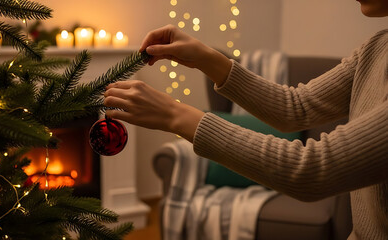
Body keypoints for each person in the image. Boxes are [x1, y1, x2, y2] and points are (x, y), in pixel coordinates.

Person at [103, 1, 388, 239]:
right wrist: (207, 58)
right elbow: (294, 107)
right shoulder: (377, 47)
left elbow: (313, 170)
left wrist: (174, 114)